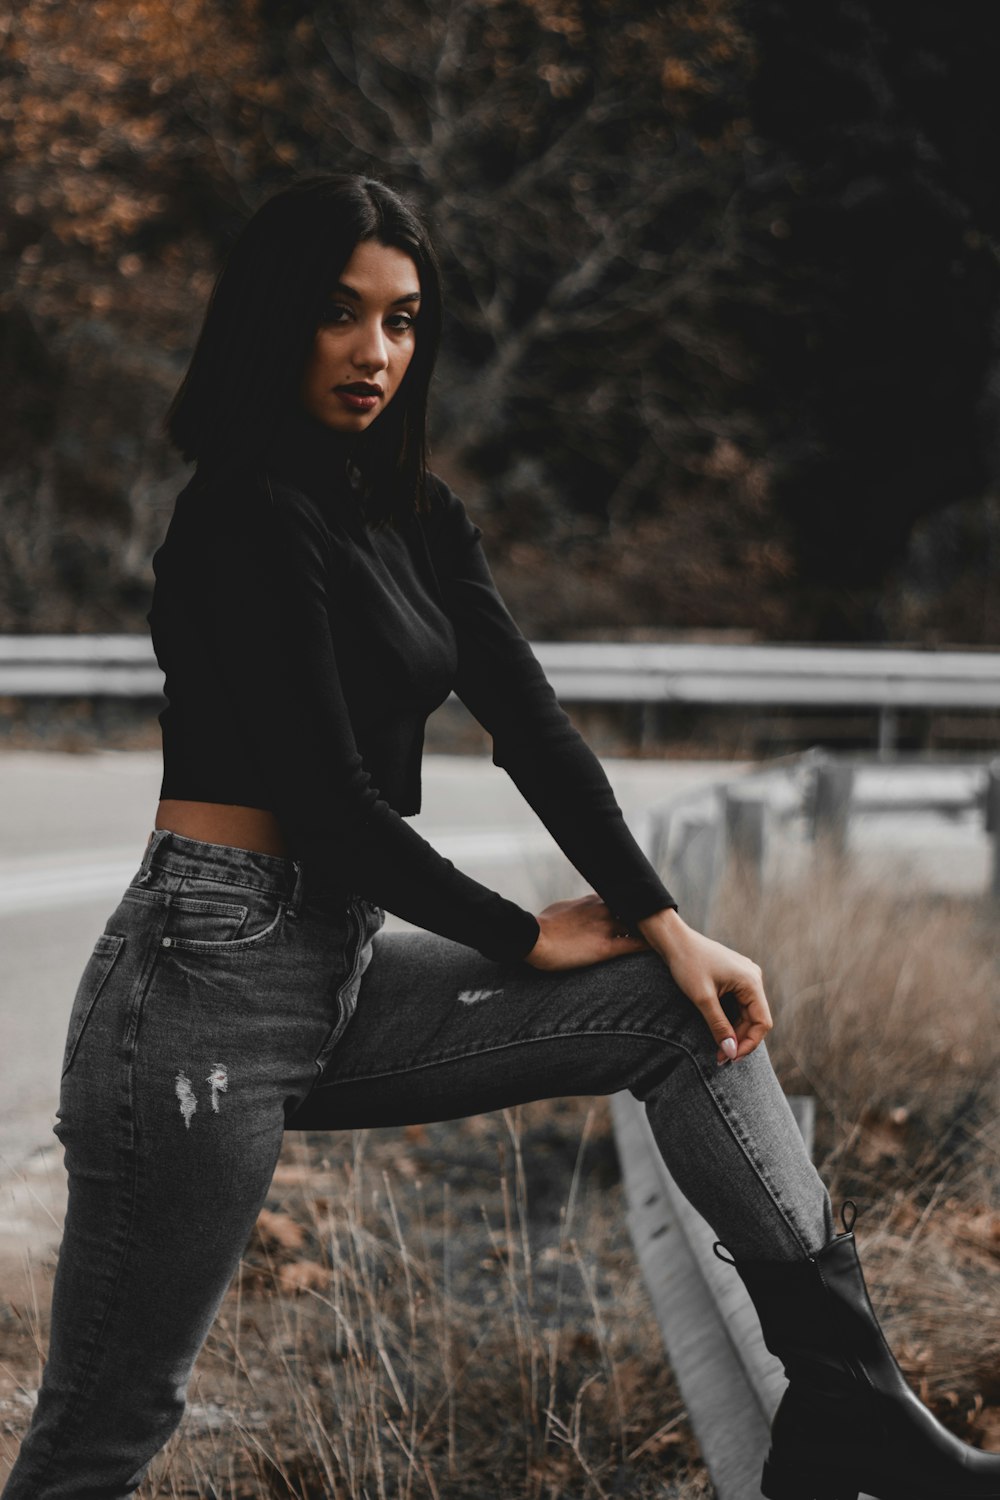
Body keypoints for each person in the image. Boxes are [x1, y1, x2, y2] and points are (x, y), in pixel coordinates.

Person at [4, 173, 997, 1500]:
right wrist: (521, 930)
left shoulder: (413, 517)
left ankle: (848, 1401)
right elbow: (329, 809)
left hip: (334, 964)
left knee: (673, 1006)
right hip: (199, 989)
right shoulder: (239, 511)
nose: (375, 353)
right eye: (338, 316)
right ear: (271, 323)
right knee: (111, 1425)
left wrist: (662, 922)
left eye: (403, 321)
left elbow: (535, 732)